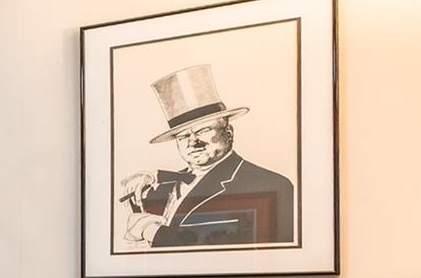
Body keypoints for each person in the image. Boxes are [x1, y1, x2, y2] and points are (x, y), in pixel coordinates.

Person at [118, 63, 296, 247]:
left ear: (229, 133)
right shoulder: (156, 188)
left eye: (203, 130)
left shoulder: (272, 185)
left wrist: (153, 232)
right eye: (183, 135)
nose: (193, 141)